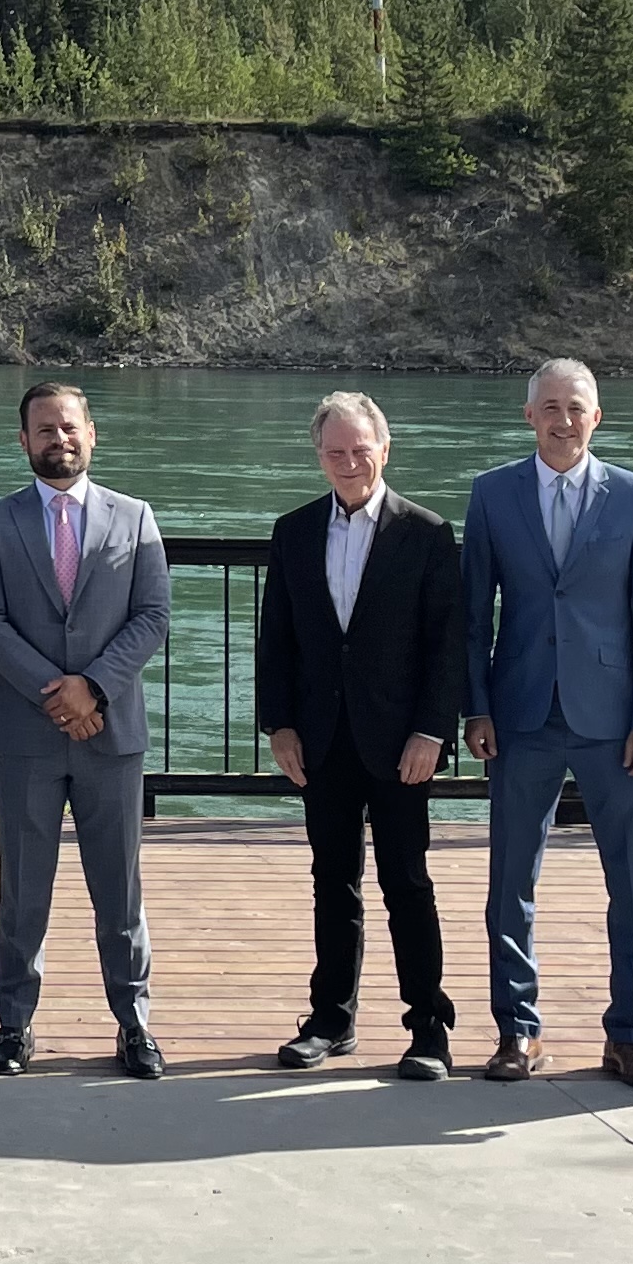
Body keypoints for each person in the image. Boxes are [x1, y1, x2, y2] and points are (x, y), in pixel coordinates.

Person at [460, 356, 633, 1088]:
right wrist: (477, 706)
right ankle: (518, 1031)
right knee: (509, 883)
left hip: (614, 722)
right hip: (521, 716)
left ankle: (630, 1035)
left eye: (575, 406)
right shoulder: (492, 494)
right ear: (529, 417)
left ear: (596, 416)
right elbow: (471, 616)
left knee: (632, 885)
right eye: (549, 406)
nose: (563, 419)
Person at [0, 380, 172, 1077]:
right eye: (45, 430)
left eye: (70, 427)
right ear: (23, 440)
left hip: (111, 734)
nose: (60, 440)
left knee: (121, 892)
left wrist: (94, 688)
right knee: (24, 889)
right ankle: (14, 1026)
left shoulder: (135, 516)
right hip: (27, 735)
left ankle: (134, 1024)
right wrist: (56, 693)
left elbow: (153, 616)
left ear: (92, 433)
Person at [254, 389, 466, 1077]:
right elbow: (276, 640)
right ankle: (331, 1019)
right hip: (322, 737)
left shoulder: (426, 532)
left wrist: (433, 732)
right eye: (336, 452)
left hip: (402, 740)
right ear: (319, 456)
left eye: (361, 449)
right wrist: (279, 725)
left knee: (407, 880)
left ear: (385, 448)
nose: (350, 462)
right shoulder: (294, 531)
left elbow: (447, 646)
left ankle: (428, 1025)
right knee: (331, 880)